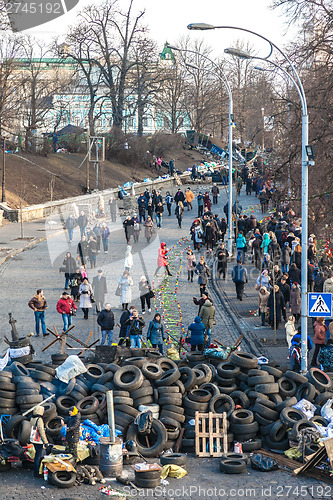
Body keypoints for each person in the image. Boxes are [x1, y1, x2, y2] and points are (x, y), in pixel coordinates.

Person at [30, 406, 50, 477]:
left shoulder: (32, 418)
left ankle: (35, 470)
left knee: (36, 455)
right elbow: (41, 431)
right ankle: (37, 473)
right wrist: (46, 442)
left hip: (33, 439)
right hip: (38, 440)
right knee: (38, 456)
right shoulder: (39, 419)